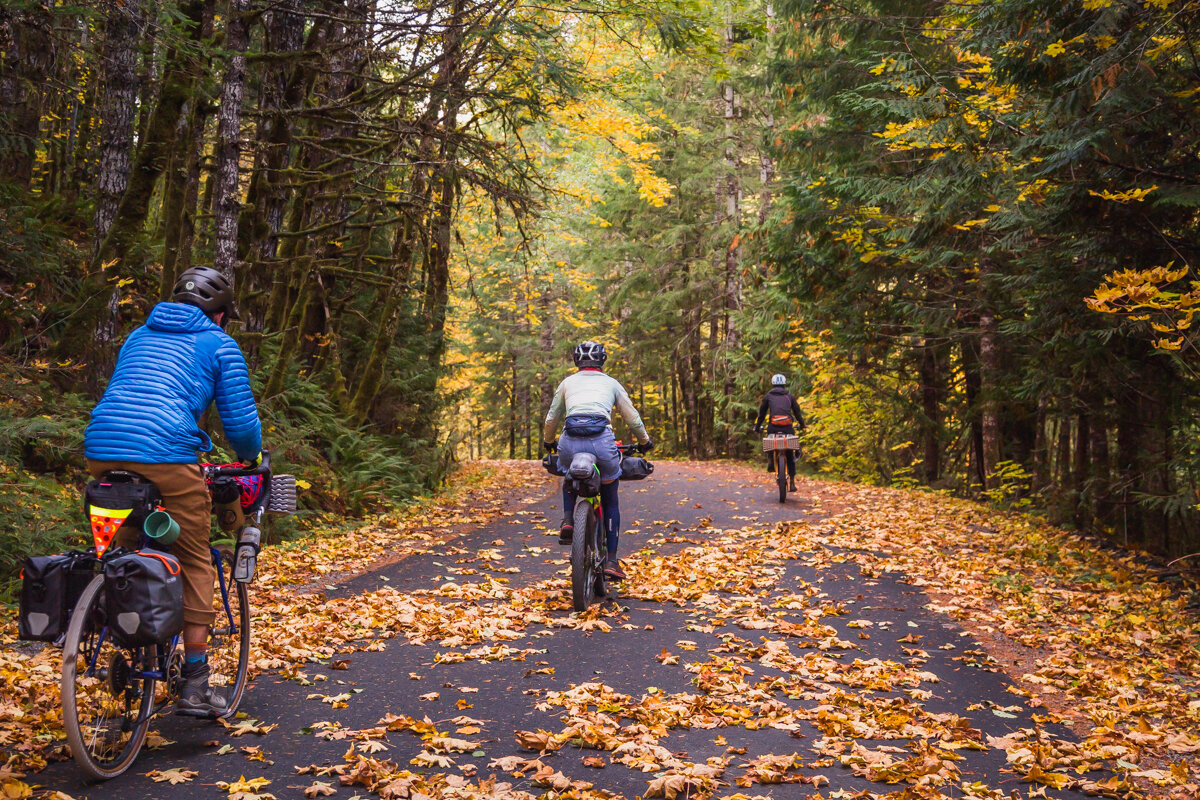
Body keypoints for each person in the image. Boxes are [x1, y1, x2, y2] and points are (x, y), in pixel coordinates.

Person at [84, 265, 262, 717]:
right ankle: (196, 683)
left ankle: (119, 635)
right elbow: (240, 424)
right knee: (194, 557)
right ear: (220, 314)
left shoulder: (137, 336)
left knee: (121, 556)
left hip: (102, 449)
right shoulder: (219, 343)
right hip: (165, 454)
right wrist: (250, 459)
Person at [543, 341, 652, 582]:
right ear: (602, 361)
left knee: (567, 472)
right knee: (610, 497)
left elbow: (552, 417)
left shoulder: (566, 383)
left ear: (576, 361)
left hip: (569, 442)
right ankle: (612, 560)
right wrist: (645, 441)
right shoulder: (611, 383)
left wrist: (548, 441)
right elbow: (632, 417)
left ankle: (569, 520)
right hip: (602, 443)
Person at [754, 373, 805, 492]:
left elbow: (761, 414)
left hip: (773, 427)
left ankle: (771, 458)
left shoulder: (768, 396)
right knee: (789, 453)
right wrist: (802, 424)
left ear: (773, 384)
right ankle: (792, 481)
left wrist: (757, 427)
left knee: (771, 441)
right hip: (787, 427)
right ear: (784, 384)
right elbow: (797, 412)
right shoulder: (789, 396)